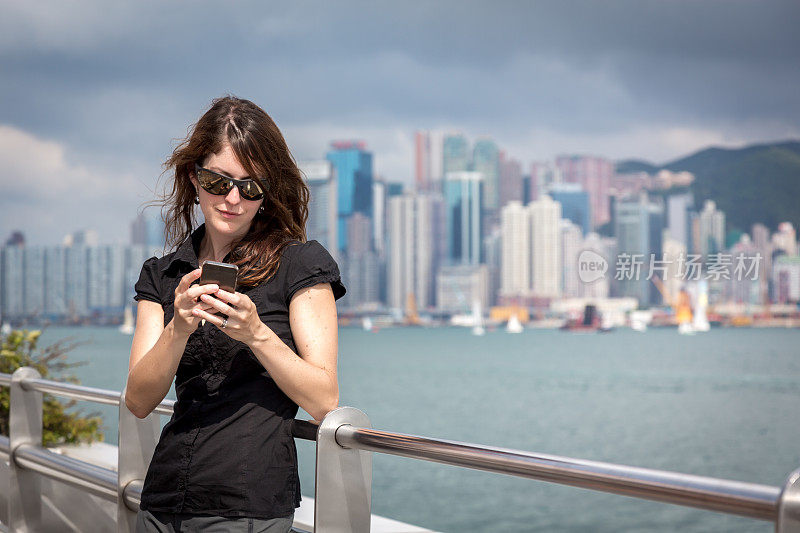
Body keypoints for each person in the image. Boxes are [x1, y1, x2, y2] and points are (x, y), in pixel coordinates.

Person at [126, 95, 346, 532]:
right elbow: (138, 399)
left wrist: (256, 333)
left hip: (246, 506)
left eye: (250, 187)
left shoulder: (300, 264)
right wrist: (178, 329)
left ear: (267, 193)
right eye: (217, 181)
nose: (232, 199)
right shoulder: (164, 273)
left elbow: (324, 400)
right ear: (194, 178)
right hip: (163, 500)